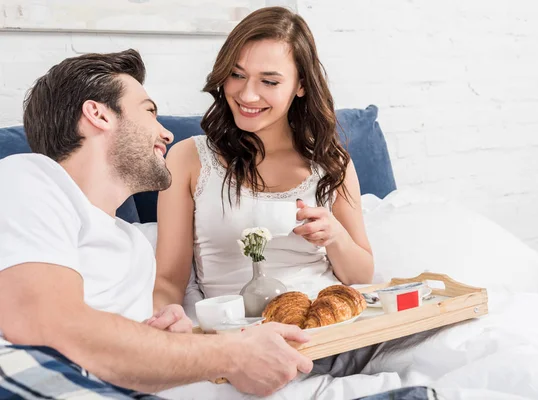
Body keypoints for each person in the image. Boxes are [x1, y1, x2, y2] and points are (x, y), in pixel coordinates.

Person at [0, 49, 313, 398]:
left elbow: (122, 361)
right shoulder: (28, 176)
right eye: (149, 111)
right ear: (98, 114)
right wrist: (231, 354)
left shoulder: (132, 245)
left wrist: (167, 346)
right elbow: (42, 325)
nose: (166, 133)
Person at [153, 6, 374, 318]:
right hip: (243, 340)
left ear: (301, 85)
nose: (248, 95)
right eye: (237, 75)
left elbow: (361, 276)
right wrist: (163, 331)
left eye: (269, 81)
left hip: (329, 328)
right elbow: (167, 281)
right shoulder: (189, 159)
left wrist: (335, 235)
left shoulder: (332, 163)